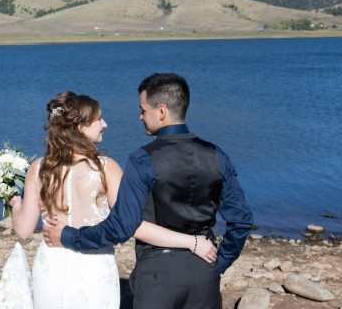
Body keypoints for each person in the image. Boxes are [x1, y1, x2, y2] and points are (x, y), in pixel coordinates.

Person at [43, 73, 254, 308]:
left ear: (161, 112)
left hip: (157, 276)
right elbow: (242, 220)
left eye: (143, 110)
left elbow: (122, 226)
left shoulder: (142, 159)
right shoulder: (218, 155)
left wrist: (71, 236)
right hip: (204, 272)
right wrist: (218, 263)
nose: (140, 116)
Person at [8, 91, 217, 309]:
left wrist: (15, 203)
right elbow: (133, 225)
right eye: (98, 119)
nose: (105, 124)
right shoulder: (106, 168)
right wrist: (191, 242)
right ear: (81, 128)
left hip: (51, 267)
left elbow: (23, 230)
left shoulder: (39, 168)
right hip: (94, 268)